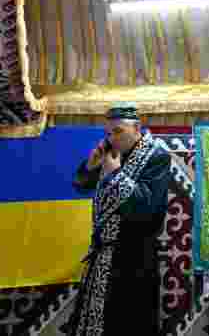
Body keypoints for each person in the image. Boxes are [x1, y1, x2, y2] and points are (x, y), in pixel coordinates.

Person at [65, 104, 172, 336]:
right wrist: (91, 166)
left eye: (118, 131)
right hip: (103, 256)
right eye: (109, 133)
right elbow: (81, 186)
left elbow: (147, 207)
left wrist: (115, 174)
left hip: (134, 259)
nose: (112, 138)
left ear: (137, 129)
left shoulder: (156, 157)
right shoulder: (112, 154)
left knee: (127, 322)